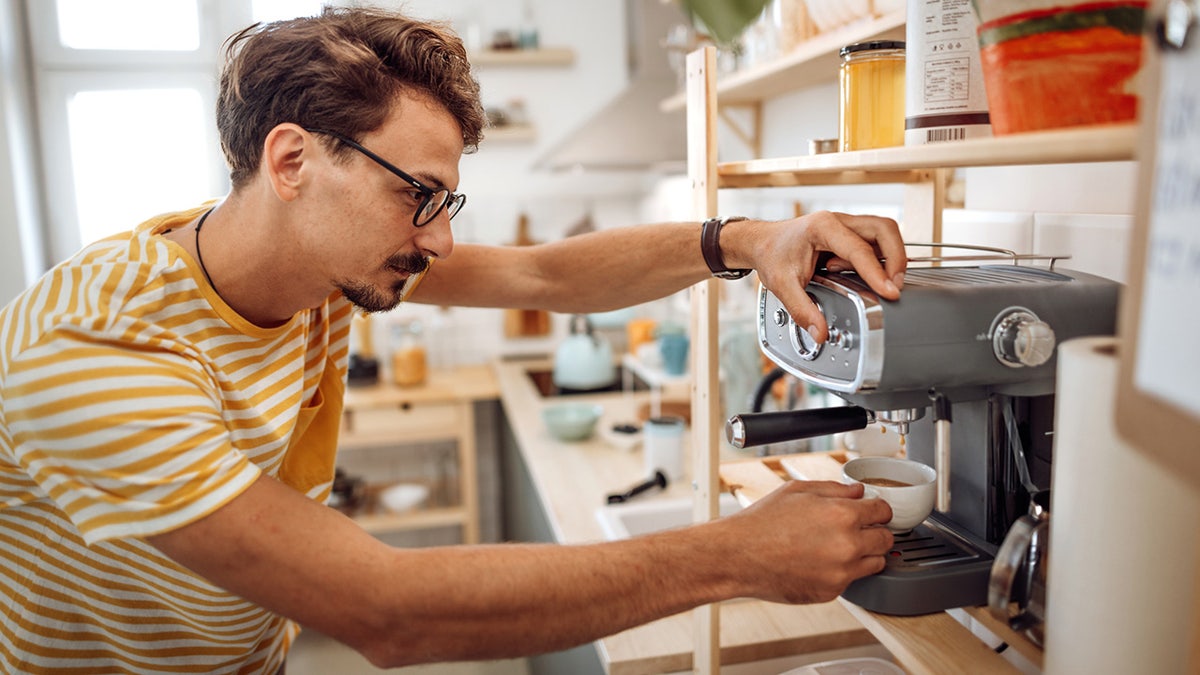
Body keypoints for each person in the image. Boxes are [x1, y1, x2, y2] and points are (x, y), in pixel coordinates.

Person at [0, 7, 907, 673]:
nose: (435, 239)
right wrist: (736, 553)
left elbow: (543, 275)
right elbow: (386, 612)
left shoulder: (313, 261)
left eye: (444, 202)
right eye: (416, 194)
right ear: (292, 162)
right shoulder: (94, 349)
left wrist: (749, 240)